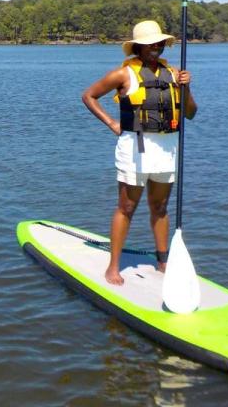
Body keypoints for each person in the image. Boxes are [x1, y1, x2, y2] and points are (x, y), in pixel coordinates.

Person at [82, 20, 197, 285]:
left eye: (158, 43)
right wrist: (112, 123)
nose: (154, 48)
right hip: (134, 148)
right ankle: (113, 267)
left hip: (167, 149)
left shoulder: (175, 73)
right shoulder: (123, 75)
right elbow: (89, 95)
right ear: (137, 47)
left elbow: (190, 113)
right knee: (127, 206)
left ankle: (163, 261)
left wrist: (186, 87)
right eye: (148, 44)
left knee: (160, 207)